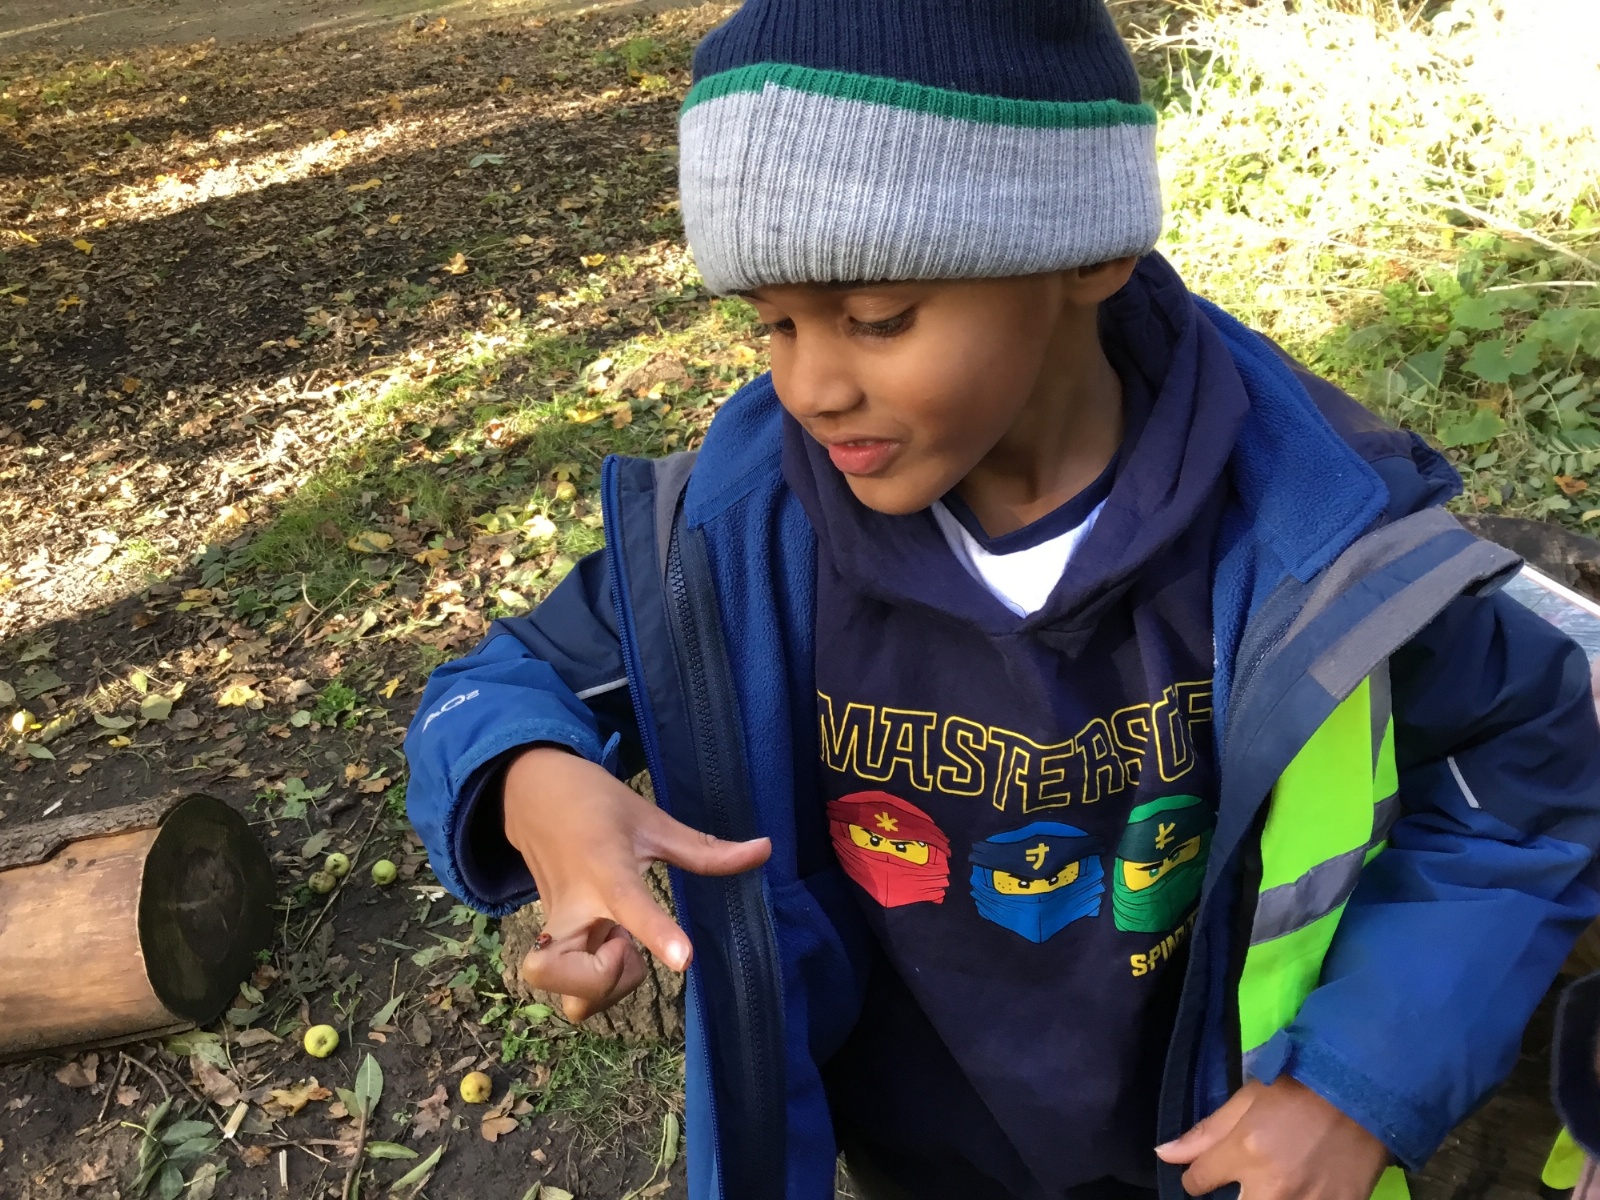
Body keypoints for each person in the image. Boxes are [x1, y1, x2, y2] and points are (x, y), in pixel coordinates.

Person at [403, 3, 1600, 1198]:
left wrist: (1353, 1079)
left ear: (1087, 253)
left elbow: (1523, 783)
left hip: (1217, 1149)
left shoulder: (1308, 535)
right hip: (906, 1151)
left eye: (876, 319)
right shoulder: (733, 536)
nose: (812, 386)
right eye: (772, 323)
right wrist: (534, 783)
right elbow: (498, 686)